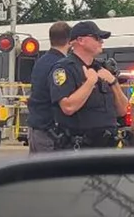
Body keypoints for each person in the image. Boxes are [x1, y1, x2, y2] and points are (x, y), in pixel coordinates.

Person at [49, 21, 128, 149]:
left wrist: (113, 82)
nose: (101, 42)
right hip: (79, 149)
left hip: (107, 147)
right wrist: (90, 82)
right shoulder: (64, 69)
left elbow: (122, 110)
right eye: (97, 38)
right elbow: (68, 107)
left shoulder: (102, 69)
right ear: (80, 40)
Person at [26, 21, 71, 154]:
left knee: (36, 173)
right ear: (69, 40)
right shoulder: (60, 65)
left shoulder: (42, 61)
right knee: (51, 172)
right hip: (49, 131)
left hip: (36, 126)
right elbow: (61, 98)